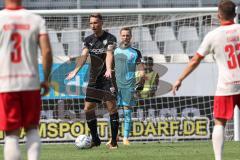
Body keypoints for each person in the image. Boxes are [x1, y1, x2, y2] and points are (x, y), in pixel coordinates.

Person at [172, 1, 240, 160]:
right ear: (235, 14)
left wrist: (180, 79)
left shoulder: (213, 35)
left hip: (226, 86)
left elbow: (195, 60)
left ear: (218, 15)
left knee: (219, 122)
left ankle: (218, 158)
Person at [0, 0, 53, 160]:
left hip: (6, 83)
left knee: (11, 133)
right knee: (32, 129)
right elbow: (47, 51)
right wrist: (46, 78)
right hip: (30, 82)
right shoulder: (35, 19)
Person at [66, 13, 119, 149]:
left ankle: (113, 142)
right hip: (94, 79)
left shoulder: (110, 38)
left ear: (101, 23)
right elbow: (83, 56)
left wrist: (108, 69)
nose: (93, 26)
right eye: (91, 23)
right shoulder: (88, 40)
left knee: (111, 109)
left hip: (107, 78)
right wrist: (75, 71)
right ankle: (95, 139)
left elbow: (109, 54)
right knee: (88, 108)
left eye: (95, 23)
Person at [112, 27, 145, 145]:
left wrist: (141, 79)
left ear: (131, 37)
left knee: (127, 112)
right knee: (113, 112)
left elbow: (141, 68)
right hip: (115, 86)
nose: (125, 37)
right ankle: (113, 138)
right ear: (120, 36)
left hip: (128, 85)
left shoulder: (135, 52)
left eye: (127, 35)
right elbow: (109, 67)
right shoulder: (114, 51)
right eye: (123, 35)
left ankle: (125, 138)